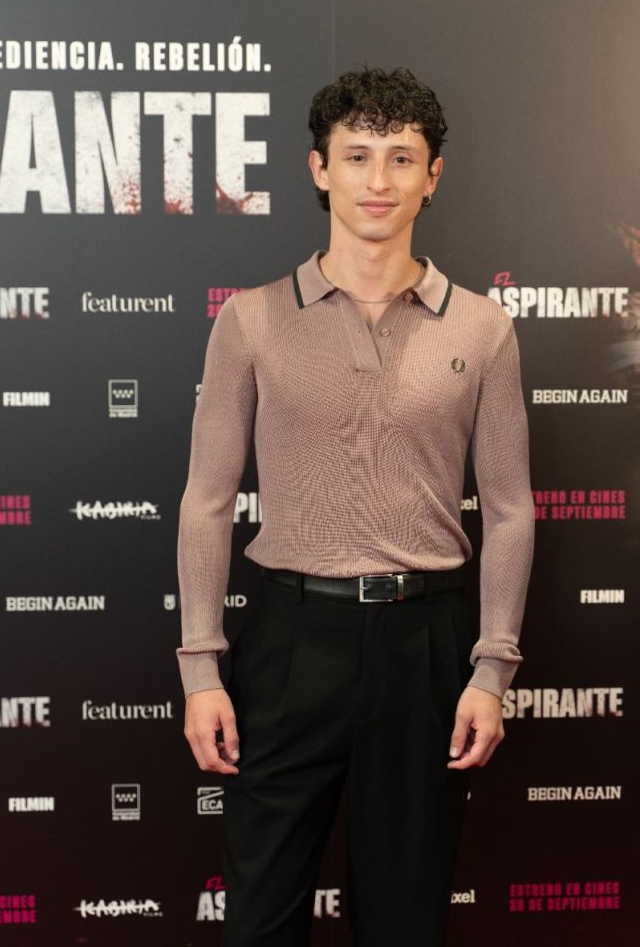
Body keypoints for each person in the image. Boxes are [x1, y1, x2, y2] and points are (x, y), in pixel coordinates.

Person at [175, 65, 535, 946]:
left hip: (426, 647)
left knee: (405, 923)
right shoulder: (251, 319)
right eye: (358, 155)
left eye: (401, 157)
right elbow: (208, 500)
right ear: (319, 168)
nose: (379, 179)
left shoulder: (483, 327)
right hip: (289, 644)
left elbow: (510, 509)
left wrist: (492, 669)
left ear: (432, 175)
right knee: (258, 923)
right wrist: (200, 669)